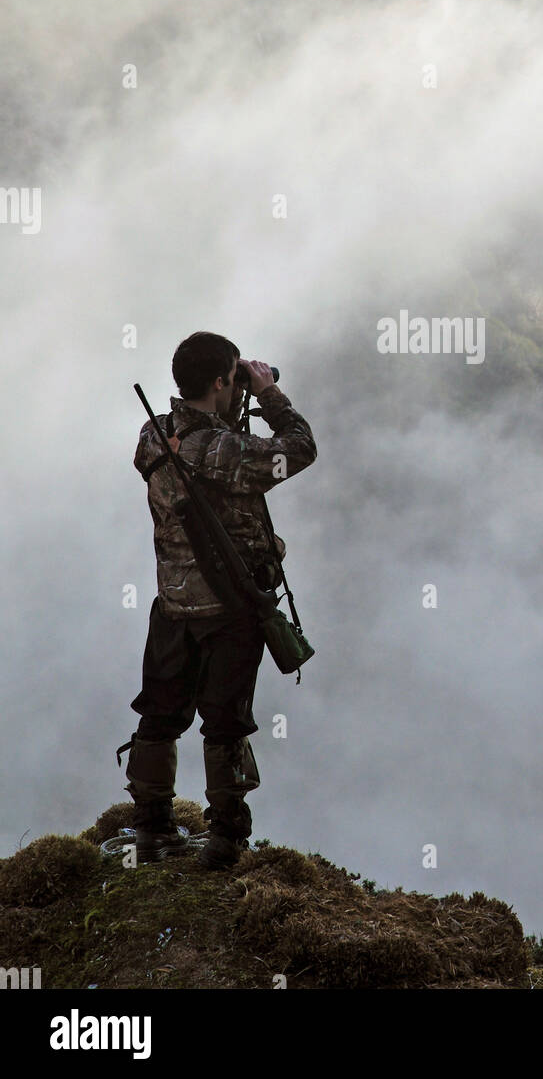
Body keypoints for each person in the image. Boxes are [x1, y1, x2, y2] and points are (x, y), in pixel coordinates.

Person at [116, 331, 317, 869]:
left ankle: (152, 829)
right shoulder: (229, 451)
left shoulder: (153, 435)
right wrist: (270, 394)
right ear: (222, 381)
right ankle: (226, 838)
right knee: (226, 723)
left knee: (159, 713)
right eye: (235, 378)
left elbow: (199, 451)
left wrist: (229, 408)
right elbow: (300, 448)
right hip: (230, 610)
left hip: (173, 603)